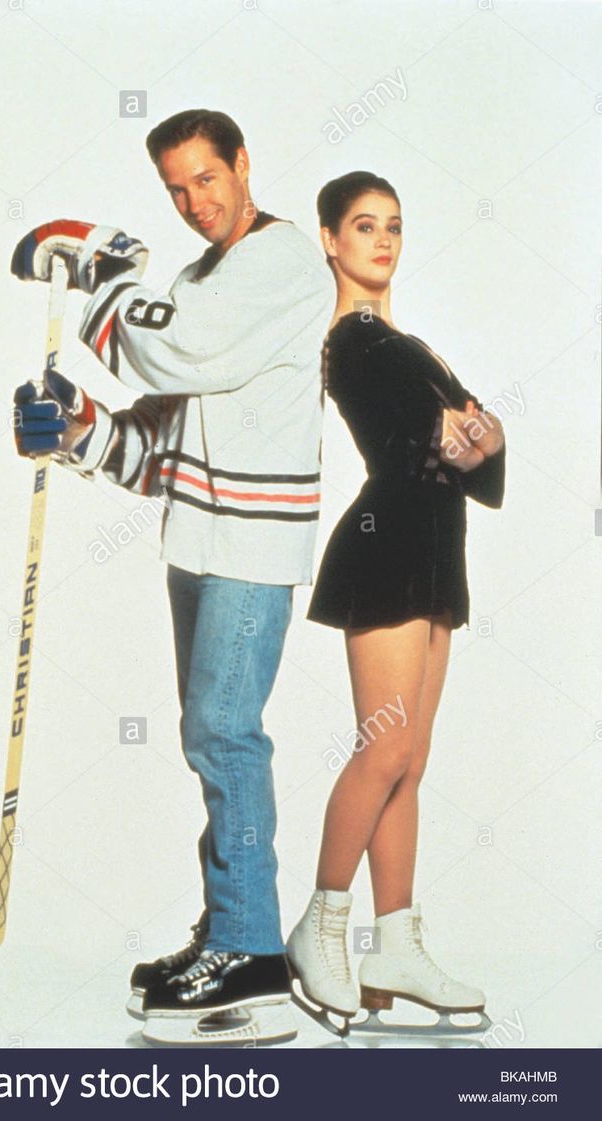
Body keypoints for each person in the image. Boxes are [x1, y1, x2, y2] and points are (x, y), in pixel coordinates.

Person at [10, 109, 333, 1044]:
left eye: (208, 178)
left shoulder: (279, 264)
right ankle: (227, 932)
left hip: (250, 546)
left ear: (244, 162)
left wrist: (108, 276)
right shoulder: (202, 279)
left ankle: (251, 956)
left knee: (226, 735)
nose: (197, 202)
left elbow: (174, 344)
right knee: (211, 736)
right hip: (200, 536)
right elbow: (160, 446)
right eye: (178, 189)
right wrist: (74, 426)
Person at [286, 171, 505, 1032]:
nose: (382, 240)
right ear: (331, 241)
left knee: (411, 757)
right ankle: (321, 926)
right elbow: (428, 447)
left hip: (434, 547)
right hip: (386, 547)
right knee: (383, 751)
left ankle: (397, 946)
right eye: (364, 226)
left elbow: (480, 466)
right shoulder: (358, 341)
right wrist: (462, 438)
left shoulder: (409, 342)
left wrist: (480, 440)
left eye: (395, 226)